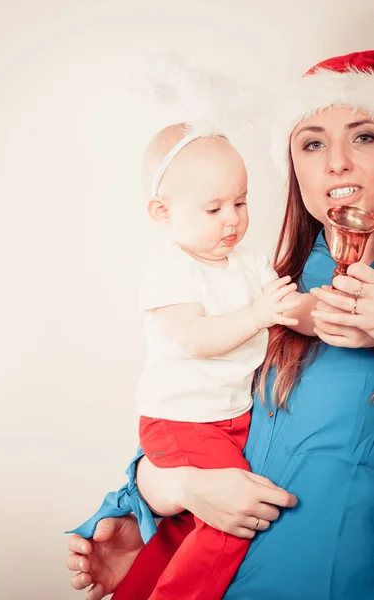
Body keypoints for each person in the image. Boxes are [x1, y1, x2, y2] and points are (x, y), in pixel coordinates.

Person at [67, 50, 374, 600]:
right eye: (311, 143)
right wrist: (160, 499)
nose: (336, 164)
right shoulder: (276, 284)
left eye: (365, 136)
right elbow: (205, 424)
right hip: (218, 574)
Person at [67, 122, 305, 600]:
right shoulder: (171, 269)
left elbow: (289, 309)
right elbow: (196, 338)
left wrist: (315, 313)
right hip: (182, 422)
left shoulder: (248, 261)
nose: (232, 220)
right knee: (230, 519)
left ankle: (135, 589)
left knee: (184, 527)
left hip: (231, 417)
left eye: (240, 202)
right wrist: (258, 313)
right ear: (163, 211)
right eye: (214, 208)